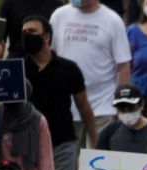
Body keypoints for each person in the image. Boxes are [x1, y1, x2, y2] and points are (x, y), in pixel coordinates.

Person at [19, 14, 96, 170]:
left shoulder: (69, 69)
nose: (27, 35)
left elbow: (84, 107)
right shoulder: (18, 70)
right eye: (24, 32)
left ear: (46, 37)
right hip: (27, 147)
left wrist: (95, 141)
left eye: (32, 31)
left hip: (62, 144)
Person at [48, 0, 131, 144]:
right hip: (67, 107)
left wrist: (120, 104)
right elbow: (50, 56)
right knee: (69, 162)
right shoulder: (58, 16)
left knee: (97, 159)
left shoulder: (113, 20)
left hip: (102, 107)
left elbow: (123, 65)